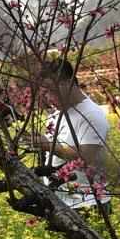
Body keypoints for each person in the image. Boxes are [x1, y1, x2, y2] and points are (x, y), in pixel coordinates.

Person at [28, 60, 110, 208]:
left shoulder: (92, 114)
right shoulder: (55, 114)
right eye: (45, 92)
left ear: (68, 83)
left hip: (88, 202)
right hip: (60, 201)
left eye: (50, 90)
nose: (48, 97)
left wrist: (46, 144)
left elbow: (86, 156)